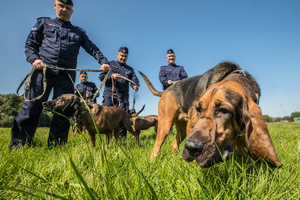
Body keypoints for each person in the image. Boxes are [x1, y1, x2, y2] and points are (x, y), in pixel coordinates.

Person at [9, 0, 110, 150]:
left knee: (64, 111)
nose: (64, 10)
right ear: (55, 5)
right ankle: (19, 145)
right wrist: (34, 59)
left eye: (68, 8)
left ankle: (56, 146)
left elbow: (93, 48)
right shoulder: (44, 23)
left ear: (72, 11)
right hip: (42, 72)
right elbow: (30, 44)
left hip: (66, 76)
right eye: (61, 6)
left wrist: (103, 61)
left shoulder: (78, 32)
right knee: (31, 107)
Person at [99, 47, 140, 138]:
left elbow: (135, 80)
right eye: (122, 55)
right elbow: (101, 77)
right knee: (106, 116)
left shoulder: (130, 69)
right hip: (109, 94)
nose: (123, 58)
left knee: (123, 118)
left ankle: (122, 138)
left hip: (123, 97)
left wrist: (135, 85)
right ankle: (107, 139)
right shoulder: (110, 64)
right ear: (117, 54)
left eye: (125, 56)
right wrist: (111, 76)